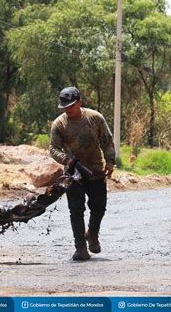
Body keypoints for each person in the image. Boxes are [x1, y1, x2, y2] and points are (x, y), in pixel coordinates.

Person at [49, 87, 115, 261]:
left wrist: (110, 161)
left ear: (80, 102)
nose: (68, 110)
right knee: (76, 211)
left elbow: (107, 140)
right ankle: (80, 247)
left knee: (99, 208)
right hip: (73, 175)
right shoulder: (59, 124)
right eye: (64, 107)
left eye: (71, 105)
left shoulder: (95, 118)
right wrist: (67, 160)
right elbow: (53, 149)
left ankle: (92, 234)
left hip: (95, 172)